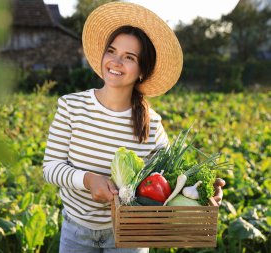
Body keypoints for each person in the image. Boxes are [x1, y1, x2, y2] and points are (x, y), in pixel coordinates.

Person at [42, 2, 225, 252]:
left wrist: (202, 193)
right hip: (76, 231)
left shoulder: (152, 124)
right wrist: (87, 179)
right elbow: (50, 168)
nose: (116, 62)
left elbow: (172, 181)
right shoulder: (71, 106)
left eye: (129, 57)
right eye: (112, 51)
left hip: (132, 234)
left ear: (141, 71)